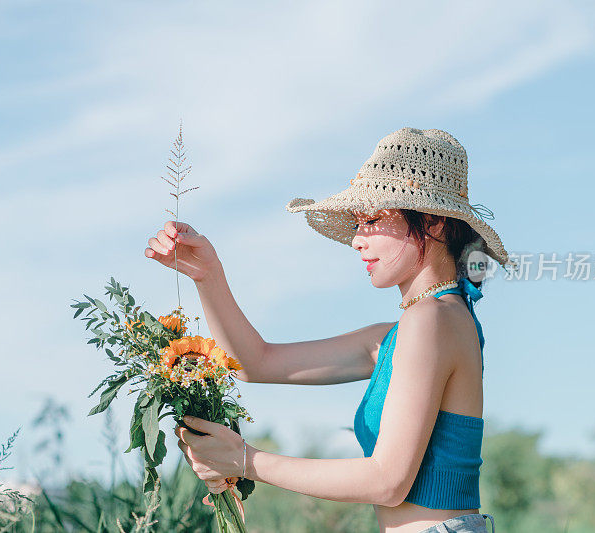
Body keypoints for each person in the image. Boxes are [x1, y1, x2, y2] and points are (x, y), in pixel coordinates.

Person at [145, 127, 516, 533]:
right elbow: (255, 363)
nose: (357, 239)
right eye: (357, 223)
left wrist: (246, 461)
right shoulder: (402, 333)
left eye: (372, 220)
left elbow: (388, 482)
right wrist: (208, 276)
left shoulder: (434, 320)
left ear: (434, 223)